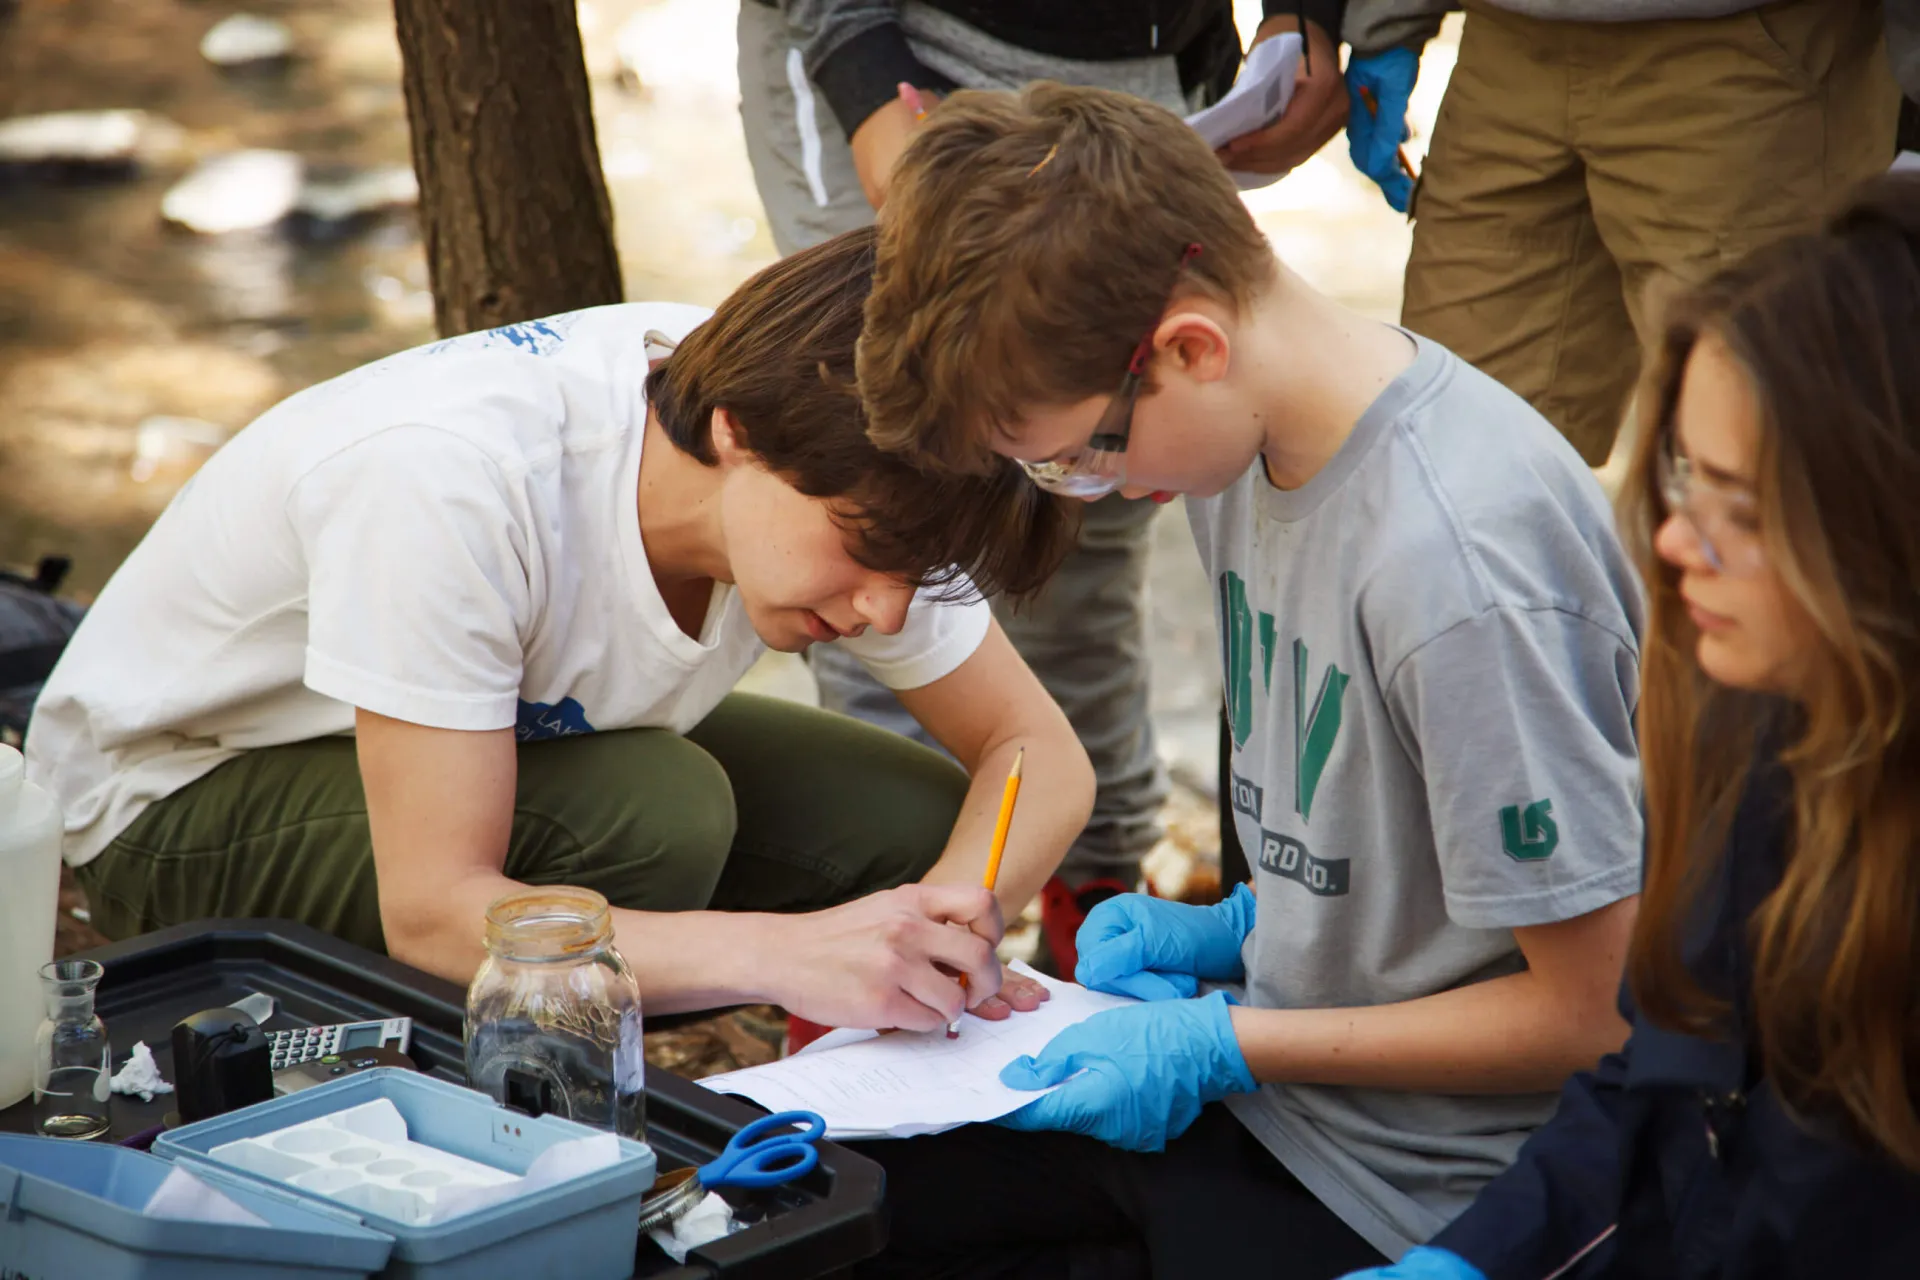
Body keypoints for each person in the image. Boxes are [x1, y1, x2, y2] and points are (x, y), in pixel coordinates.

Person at [843, 83, 1645, 1277]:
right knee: (839, 1205)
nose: (1093, 488)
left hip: (1417, 1186)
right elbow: (1382, 856)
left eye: (1078, 453)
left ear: (1188, 348)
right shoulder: (1237, 452)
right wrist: (1232, 935)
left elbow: (1591, 1014)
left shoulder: (1458, 568)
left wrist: (1223, 1037)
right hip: (1275, 1091)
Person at [24, 227, 1096, 1033]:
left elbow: (1033, 752)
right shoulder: (455, 482)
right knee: (656, 814)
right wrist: (789, 953)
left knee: (910, 827)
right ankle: (500, 1108)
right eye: (865, 555)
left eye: (915, 575)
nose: (885, 610)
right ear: (737, 434)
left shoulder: (873, 459)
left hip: (484, 749)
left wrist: (949, 923)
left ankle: (848, 1096)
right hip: (171, 799)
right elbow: (438, 913)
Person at [1340, 174, 1920, 1280]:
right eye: (1685, 477)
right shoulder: (1753, 724)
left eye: (1744, 510)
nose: (1677, 544)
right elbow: (1657, 1082)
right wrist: (1475, 1256)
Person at [736, 0, 1354, 965]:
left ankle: (1091, 891)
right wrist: (863, 77)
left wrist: (1300, 13)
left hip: (1143, 64)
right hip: (890, 62)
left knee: (1079, 528)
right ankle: (875, 920)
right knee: (886, 486)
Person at [1340, 0, 1899, 467]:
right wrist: (1388, 17)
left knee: (1765, 465)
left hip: (1750, 51)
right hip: (1507, 46)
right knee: (1451, 462)